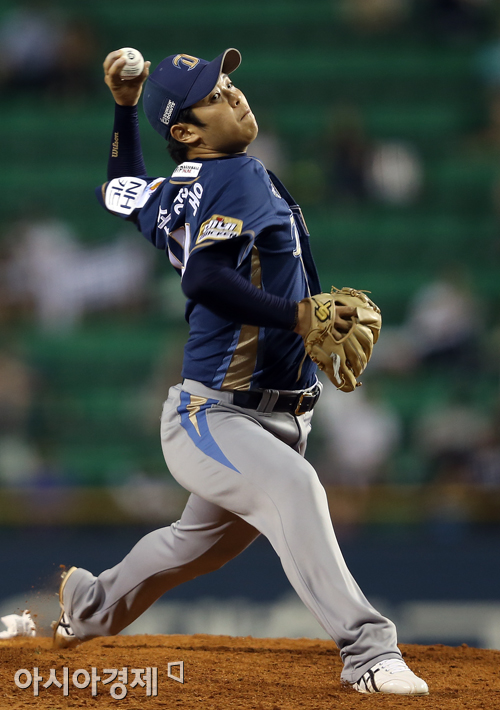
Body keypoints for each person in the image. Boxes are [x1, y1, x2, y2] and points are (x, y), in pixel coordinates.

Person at [52, 47, 428, 696]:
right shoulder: (238, 175)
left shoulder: (179, 189)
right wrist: (297, 316)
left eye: (227, 82)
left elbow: (123, 186)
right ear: (187, 132)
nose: (232, 93)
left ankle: (87, 607)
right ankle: (369, 652)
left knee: (189, 547)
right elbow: (203, 277)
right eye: (213, 95)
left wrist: (124, 109)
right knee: (295, 488)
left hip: (268, 416)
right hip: (215, 415)